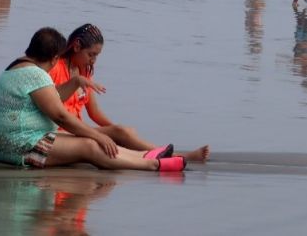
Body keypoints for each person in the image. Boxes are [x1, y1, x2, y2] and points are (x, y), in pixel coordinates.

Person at [0, 27, 186, 172]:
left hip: (8, 144)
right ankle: (152, 164)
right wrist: (98, 135)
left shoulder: (14, 69)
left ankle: (143, 155)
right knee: (89, 145)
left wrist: (75, 82)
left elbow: (54, 98)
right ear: (54, 57)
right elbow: (61, 116)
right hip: (20, 148)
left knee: (87, 138)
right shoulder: (36, 74)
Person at [49, 24, 209, 162]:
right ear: (76, 46)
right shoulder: (56, 69)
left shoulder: (84, 72)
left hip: (79, 129)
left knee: (126, 131)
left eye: (96, 56)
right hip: (64, 133)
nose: (93, 61)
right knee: (122, 132)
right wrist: (117, 133)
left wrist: (115, 131)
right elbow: (51, 105)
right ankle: (177, 157)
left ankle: (158, 155)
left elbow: (94, 113)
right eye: (90, 55)